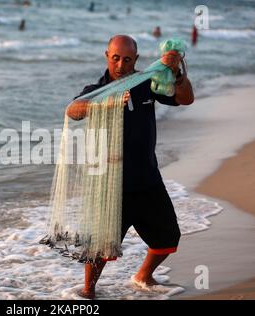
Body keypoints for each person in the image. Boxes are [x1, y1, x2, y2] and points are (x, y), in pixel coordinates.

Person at [66, 35, 194, 299]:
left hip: (147, 177)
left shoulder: (148, 84)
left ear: (136, 60)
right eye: (115, 58)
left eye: (127, 59)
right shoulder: (96, 89)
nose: (121, 64)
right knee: (100, 247)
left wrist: (177, 73)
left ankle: (143, 276)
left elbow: (185, 99)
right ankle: (88, 291)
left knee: (168, 238)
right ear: (106, 56)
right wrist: (107, 101)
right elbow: (73, 111)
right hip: (110, 183)